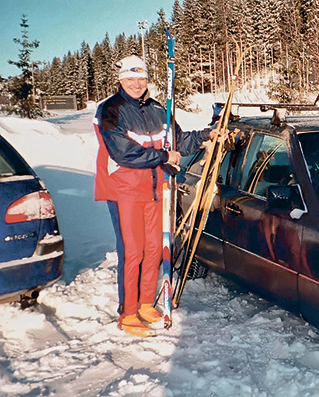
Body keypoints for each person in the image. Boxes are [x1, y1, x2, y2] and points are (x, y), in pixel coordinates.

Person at [93, 55, 212, 337]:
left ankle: (146, 302)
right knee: (132, 252)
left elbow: (178, 141)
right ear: (121, 79)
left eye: (141, 78)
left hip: (156, 189)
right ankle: (128, 312)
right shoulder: (111, 109)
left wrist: (208, 134)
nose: (136, 83)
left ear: (147, 80)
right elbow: (123, 153)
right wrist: (163, 156)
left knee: (154, 250)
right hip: (125, 190)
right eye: (130, 78)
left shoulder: (159, 109)